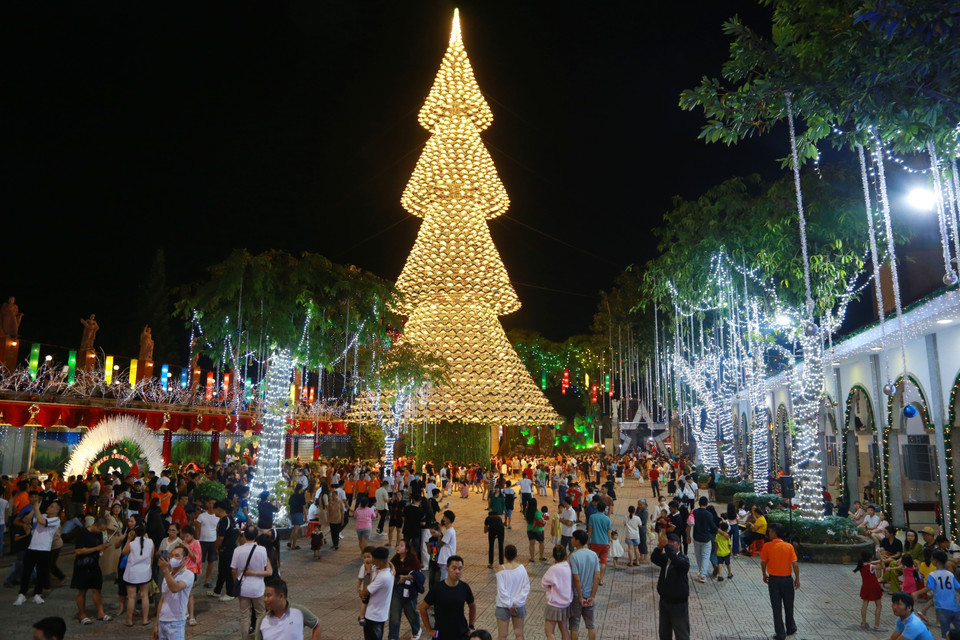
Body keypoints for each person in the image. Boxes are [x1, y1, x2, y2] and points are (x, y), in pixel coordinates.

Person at [419, 556, 476, 640]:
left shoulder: (465, 587)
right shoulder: (437, 588)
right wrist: (429, 630)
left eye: (460, 569)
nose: (457, 571)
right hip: (441, 634)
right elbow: (423, 608)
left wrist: (471, 626)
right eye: (454, 568)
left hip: (461, 633)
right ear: (447, 569)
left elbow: (472, 606)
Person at [232, 525, 273, 640]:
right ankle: (258, 637)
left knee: (244, 616)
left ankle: (244, 638)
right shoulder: (262, 550)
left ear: (244, 535)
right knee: (260, 614)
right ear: (256, 536)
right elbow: (267, 569)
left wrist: (237, 580)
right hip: (258, 587)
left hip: (243, 587)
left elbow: (234, 570)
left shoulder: (237, 550)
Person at [760, 523, 800, 640]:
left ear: (774, 532)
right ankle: (791, 627)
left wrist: (764, 574)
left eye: (770, 531)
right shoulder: (789, 547)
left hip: (774, 580)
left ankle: (780, 633)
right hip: (787, 580)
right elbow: (795, 564)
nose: (769, 533)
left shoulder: (767, 546)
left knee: (776, 607)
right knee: (789, 605)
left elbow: (763, 562)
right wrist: (797, 578)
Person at [72, 516, 113, 625]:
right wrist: (97, 548)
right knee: (82, 591)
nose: (101, 532)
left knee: (97, 589)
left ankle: (100, 613)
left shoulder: (99, 534)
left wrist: (103, 547)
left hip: (94, 565)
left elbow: (99, 547)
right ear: (95, 525)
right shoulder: (83, 533)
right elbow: (78, 551)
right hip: (83, 565)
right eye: (100, 529)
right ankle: (82, 614)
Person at [254, 577, 321, 640]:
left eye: (268, 596)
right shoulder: (262, 620)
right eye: (264, 596)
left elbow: (316, 625)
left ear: (281, 596)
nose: (265, 600)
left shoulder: (299, 612)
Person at [652, 532, 690, 640]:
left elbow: (676, 561)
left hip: (678, 604)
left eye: (672, 542)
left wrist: (666, 547)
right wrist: (659, 548)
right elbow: (654, 558)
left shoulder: (683, 559)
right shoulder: (666, 558)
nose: (670, 544)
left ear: (678, 544)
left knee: (681, 634)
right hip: (664, 601)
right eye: (668, 542)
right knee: (664, 633)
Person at [915, 550, 960, 638]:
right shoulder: (950, 574)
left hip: (941, 608)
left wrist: (917, 592)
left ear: (935, 561)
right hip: (954, 606)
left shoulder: (933, 575)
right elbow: (958, 588)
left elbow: (929, 588)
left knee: (946, 632)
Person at [153, 544, 194, 640]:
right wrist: (156, 624)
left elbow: (175, 588)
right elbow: (162, 600)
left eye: (177, 556)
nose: (173, 558)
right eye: (171, 555)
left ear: (184, 559)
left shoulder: (188, 574)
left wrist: (165, 571)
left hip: (176, 622)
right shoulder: (167, 576)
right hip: (162, 621)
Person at [567, 530, 600, 640]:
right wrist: (592, 596)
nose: (571, 540)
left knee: (574, 626)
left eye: (573, 538)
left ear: (577, 541)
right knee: (591, 624)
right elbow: (597, 577)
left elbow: (576, 579)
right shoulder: (594, 555)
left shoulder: (573, 556)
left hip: (577, 596)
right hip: (589, 594)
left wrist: (580, 597)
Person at [121, 523, 154, 627]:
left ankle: (129, 620)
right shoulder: (150, 542)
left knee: (131, 597)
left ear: (135, 533)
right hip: (145, 572)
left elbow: (124, 552)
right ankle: (145, 619)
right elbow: (151, 557)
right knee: (145, 596)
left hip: (132, 573)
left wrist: (128, 539)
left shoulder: (132, 543)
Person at [494, 545, 530, 640]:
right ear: (516, 555)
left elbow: (501, 590)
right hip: (519, 606)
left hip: (503, 605)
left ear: (504, 555)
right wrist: (516, 603)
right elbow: (526, 588)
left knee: (502, 635)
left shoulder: (500, 569)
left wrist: (509, 604)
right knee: (519, 634)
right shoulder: (522, 568)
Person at [388, 541, 422, 640]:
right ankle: (393, 637)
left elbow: (418, 575)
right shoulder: (395, 559)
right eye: (398, 545)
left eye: (401, 545)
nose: (398, 547)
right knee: (394, 613)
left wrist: (406, 577)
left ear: (406, 549)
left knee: (410, 611)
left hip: (409, 588)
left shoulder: (413, 560)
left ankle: (416, 630)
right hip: (397, 588)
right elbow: (390, 568)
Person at [362, 547, 395, 640]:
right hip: (380, 614)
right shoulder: (389, 571)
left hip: (373, 615)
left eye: (373, 558)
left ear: (378, 560)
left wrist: (368, 573)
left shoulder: (383, 577)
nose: (371, 560)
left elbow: (365, 592)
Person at [541, 545, 573, 640]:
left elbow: (544, 583)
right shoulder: (568, 566)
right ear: (565, 556)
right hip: (566, 604)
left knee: (549, 632)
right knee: (564, 629)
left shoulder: (553, 569)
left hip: (554, 605)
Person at [211, 501, 238, 601]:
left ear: (218, 509)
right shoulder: (226, 519)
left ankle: (231, 593)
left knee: (227, 571)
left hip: (228, 549)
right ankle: (217, 590)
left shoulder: (224, 521)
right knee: (222, 570)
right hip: (226, 549)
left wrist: (216, 547)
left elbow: (220, 538)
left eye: (214, 509)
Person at [855, 550, 887, 631]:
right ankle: (877, 625)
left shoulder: (861, 566)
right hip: (874, 587)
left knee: (865, 604)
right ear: (869, 558)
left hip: (865, 587)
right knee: (879, 606)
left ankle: (863, 623)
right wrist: (881, 557)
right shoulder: (871, 566)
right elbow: (883, 566)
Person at [690, 496, 717, 583]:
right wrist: (722, 532)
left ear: (699, 503)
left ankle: (701, 572)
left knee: (698, 555)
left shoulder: (694, 512)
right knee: (706, 556)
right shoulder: (708, 514)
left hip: (696, 537)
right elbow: (713, 527)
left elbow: (689, 523)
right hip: (706, 538)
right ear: (707, 503)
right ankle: (703, 574)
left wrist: (687, 535)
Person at [585, 499, 611, 584]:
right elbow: (609, 531)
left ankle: (593, 577)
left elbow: (590, 530)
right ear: (604, 509)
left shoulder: (592, 517)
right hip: (604, 542)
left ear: (596, 507)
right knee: (603, 562)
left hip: (595, 542)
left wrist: (588, 541)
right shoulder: (607, 519)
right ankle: (601, 579)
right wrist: (609, 541)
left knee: (593, 561)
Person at [437, 511, 458, 581]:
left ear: (448, 519)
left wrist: (438, 534)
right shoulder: (450, 531)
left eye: (444, 517)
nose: (443, 519)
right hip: (446, 558)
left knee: (444, 579)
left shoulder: (449, 532)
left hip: (446, 558)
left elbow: (441, 543)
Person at [287, 485, 307, 551]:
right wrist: (306, 515)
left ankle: (290, 541)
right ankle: (293, 545)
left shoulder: (292, 496)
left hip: (292, 513)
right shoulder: (301, 496)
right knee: (296, 529)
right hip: (298, 513)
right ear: (300, 489)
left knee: (295, 528)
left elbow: (289, 505)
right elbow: (304, 507)